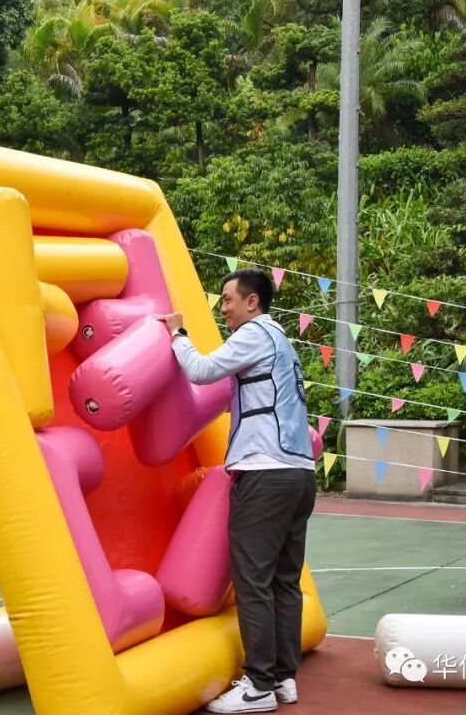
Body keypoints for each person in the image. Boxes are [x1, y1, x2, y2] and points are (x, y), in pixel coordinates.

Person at [158, 268, 316, 714]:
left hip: (265, 473)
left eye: (228, 299)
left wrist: (178, 334)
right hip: (299, 473)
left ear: (252, 302)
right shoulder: (282, 340)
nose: (223, 307)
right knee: (284, 580)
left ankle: (259, 685)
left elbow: (201, 370)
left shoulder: (253, 334)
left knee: (253, 580)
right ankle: (283, 677)